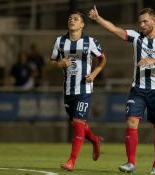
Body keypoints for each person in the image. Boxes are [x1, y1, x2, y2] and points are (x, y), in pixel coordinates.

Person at [89, 6, 155, 174]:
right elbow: (114, 29)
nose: (141, 25)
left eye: (145, 21)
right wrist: (98, 19)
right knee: (131, 122)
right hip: (138, 89)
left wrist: (152, 61)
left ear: (153, 21)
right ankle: (131, 163)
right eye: (140, 21)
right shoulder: (136, 37)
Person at [50, 10, 106, 171]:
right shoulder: (60, 41)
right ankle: (95, 140)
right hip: (68, 90)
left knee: (79, 123)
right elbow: (52, 61)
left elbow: (103, 58)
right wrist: (58, 64)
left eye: (75, 19)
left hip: (84, 88)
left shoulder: (90, 41)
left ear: (82, 24)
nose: (72, 21)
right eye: (70, 18)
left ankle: (71, 161)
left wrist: (94, 73)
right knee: (77, 124)